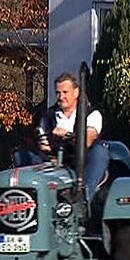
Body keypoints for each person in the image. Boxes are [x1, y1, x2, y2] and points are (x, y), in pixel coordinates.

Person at [31, 72, 109, 200]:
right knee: (20, 155)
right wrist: (51, 156)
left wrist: (66, 135)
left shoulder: (91, 114)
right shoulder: (48, 116)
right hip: (55, 162)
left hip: (83, 163)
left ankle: (84, 200)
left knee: (100, 151)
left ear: (76, 92)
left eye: (65, 92)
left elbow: (86, 141)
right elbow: (43, 144)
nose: (61, 97)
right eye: (58, 93)